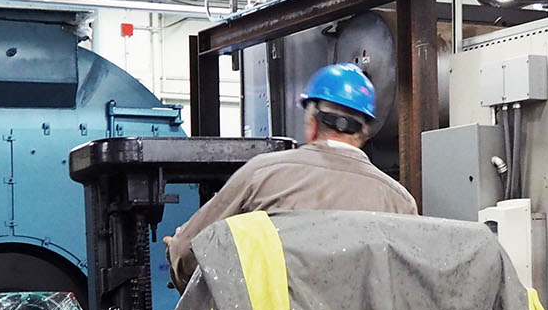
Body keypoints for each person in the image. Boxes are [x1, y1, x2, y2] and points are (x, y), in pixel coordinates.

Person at [164, 62, 417, 285]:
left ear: (313, 124)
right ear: (364, 133)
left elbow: (188, 255)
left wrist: (174, 252)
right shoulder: (399, 201)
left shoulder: (262, 174)